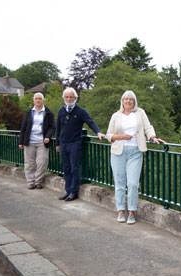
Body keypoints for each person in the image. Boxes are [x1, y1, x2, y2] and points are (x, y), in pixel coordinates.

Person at [106, 90, 165, 224]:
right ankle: (120, 210)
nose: (128, 101)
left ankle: (132, 211)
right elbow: (109, 135)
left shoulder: (140, 113)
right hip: (118, 152)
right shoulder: (116, 115)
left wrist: (153, 137)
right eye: (126, 99)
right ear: (122, 101)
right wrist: (122, 136)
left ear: (134, 101)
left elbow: (147, 127)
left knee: (132, 183)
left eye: (131, 99)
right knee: (120, 183)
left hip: (136, 151)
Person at [56, 87, 105, 201]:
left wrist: (98, 132)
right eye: (67, 97)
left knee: (74, 168)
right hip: (63, 144)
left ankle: (74, 192)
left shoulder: (80, 111)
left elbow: (90, 121)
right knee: (66, 168)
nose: (69, 99)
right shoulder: (61, 111)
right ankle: (68, 191)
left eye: (71, 97)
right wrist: (57, 144)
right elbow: (58, 128)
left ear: (75, 98)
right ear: (64, 98)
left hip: (74, 143)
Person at [19, 92, 55, 189]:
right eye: (36, 99)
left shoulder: (48, 113)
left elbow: (52, 127)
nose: (38, 100)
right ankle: (30, 182)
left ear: (43, 100)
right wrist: (21, 142)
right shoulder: (29, 112)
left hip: (42, 142)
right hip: (29, 141)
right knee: (29, 163)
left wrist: (48, 136)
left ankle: (38, 181)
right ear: (34, 101)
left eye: (40, 98)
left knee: (42, 162)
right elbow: (24, 127)